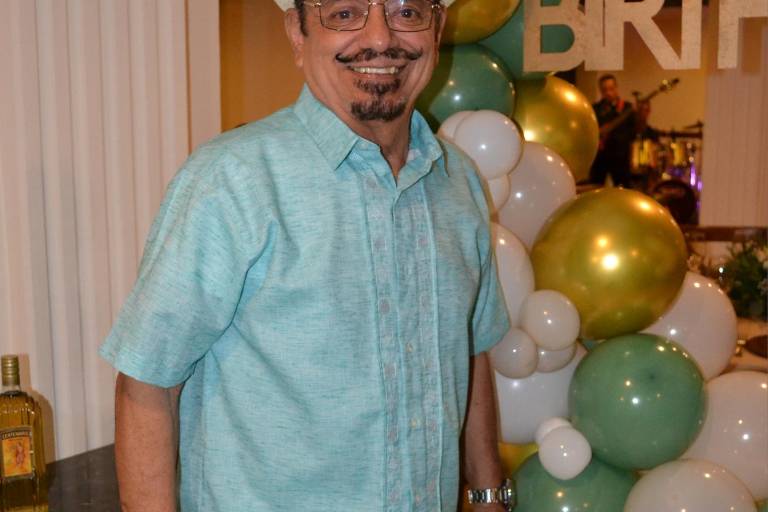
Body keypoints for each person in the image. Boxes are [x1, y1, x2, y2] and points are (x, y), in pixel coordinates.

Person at [99, 1, 512, 511]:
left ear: (438, 28)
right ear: (297, 32)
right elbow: (147, 385)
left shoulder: (458, 181)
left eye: (407, 11)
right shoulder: (232, 180)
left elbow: (468, 347)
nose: (380, 38)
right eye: (345, 13)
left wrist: (489, 495)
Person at [589, 74, 636, 188]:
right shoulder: (594, 109)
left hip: (620, 156)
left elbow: (633, 133)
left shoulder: (627, 107)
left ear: (616, 88)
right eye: (604, 90)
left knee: (623, 189)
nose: (608, 93)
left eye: (611, 89)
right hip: (600, 157)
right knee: (595, 187)